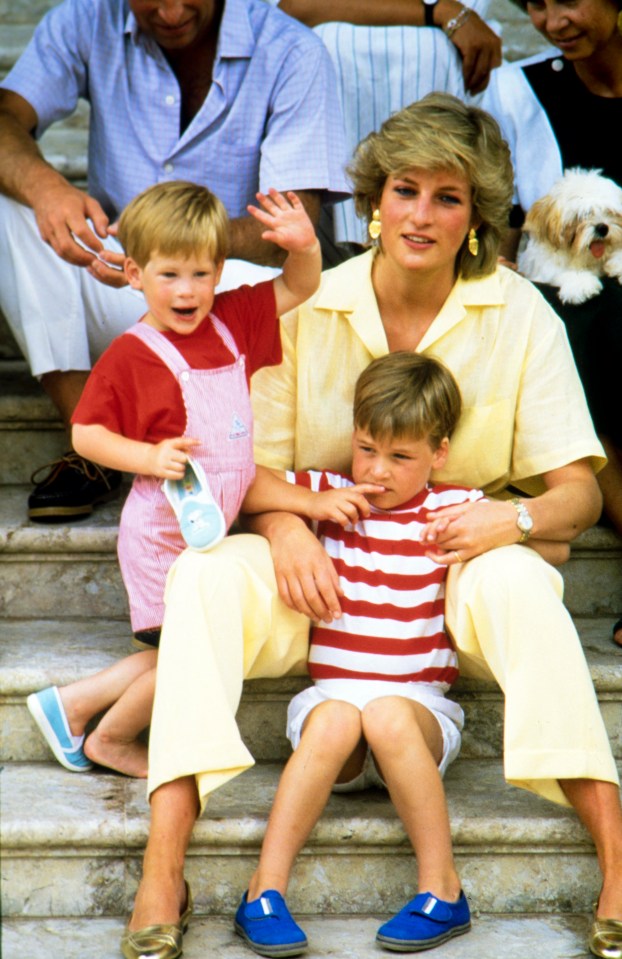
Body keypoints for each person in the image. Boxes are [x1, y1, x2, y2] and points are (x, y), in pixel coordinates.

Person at [122, 95, 622, 959]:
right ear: (373, 199)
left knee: (518, 578)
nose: (420, 215)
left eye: (447, 197)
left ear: (477, 215)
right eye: (403, 190)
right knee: (204, 575)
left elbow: (579, 489)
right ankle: (164, 865)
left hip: (454, 572)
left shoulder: (523, 313)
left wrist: (521, 517)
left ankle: (616, 856)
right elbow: (247, 472)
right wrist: (284, 529)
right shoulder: (307, 302)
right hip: (315, 564)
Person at [0, 0, 348, 522]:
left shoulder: (292, 49)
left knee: (294, 292)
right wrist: (48, 189)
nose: (169, 11)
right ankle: (98, 453)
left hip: (224, 285)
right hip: (120, 269)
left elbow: (287, 224)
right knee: (10, 204)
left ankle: (239, 460)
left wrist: (184, 250)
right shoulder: (85, 18)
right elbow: (6, 117)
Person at [26, 179, 321, 780]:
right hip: (164, 534)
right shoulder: (133, 354)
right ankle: (109, 736)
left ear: (220, 273)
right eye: (169, 276)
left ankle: (71, 705)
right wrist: (146, 456)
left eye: (200, 274)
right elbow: (86, 435)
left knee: (188, 646)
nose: (186, 292)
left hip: (209, 530)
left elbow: (299, 284)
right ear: (134, 273)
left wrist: (305, 245)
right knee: (190, 651)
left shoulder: (232, 320)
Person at [234, 351, 485, 956]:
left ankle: (442, 890)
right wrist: (300, 517)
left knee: (388, 715)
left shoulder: (454, 512)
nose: (377, 470)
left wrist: (516, 526)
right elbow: (243, 487)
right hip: (335, 713)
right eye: (367, 448)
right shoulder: (328, 494)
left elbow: (550, 543)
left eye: (401, 458)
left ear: (438, 455)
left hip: (416, 715)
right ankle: (262, 891)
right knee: (345, 715)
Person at [481, 0, 622, 647]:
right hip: (575, 292)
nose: (551, 20)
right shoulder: (522, 87)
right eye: (534, 6)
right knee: (584, 338)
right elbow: (508, 211)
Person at [269, 0, 501, 254]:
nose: (421, 216)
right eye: (405, 191)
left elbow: (476, 37)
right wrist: (439, 11)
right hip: (329, 164)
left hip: (450, 135)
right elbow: (292, 8)